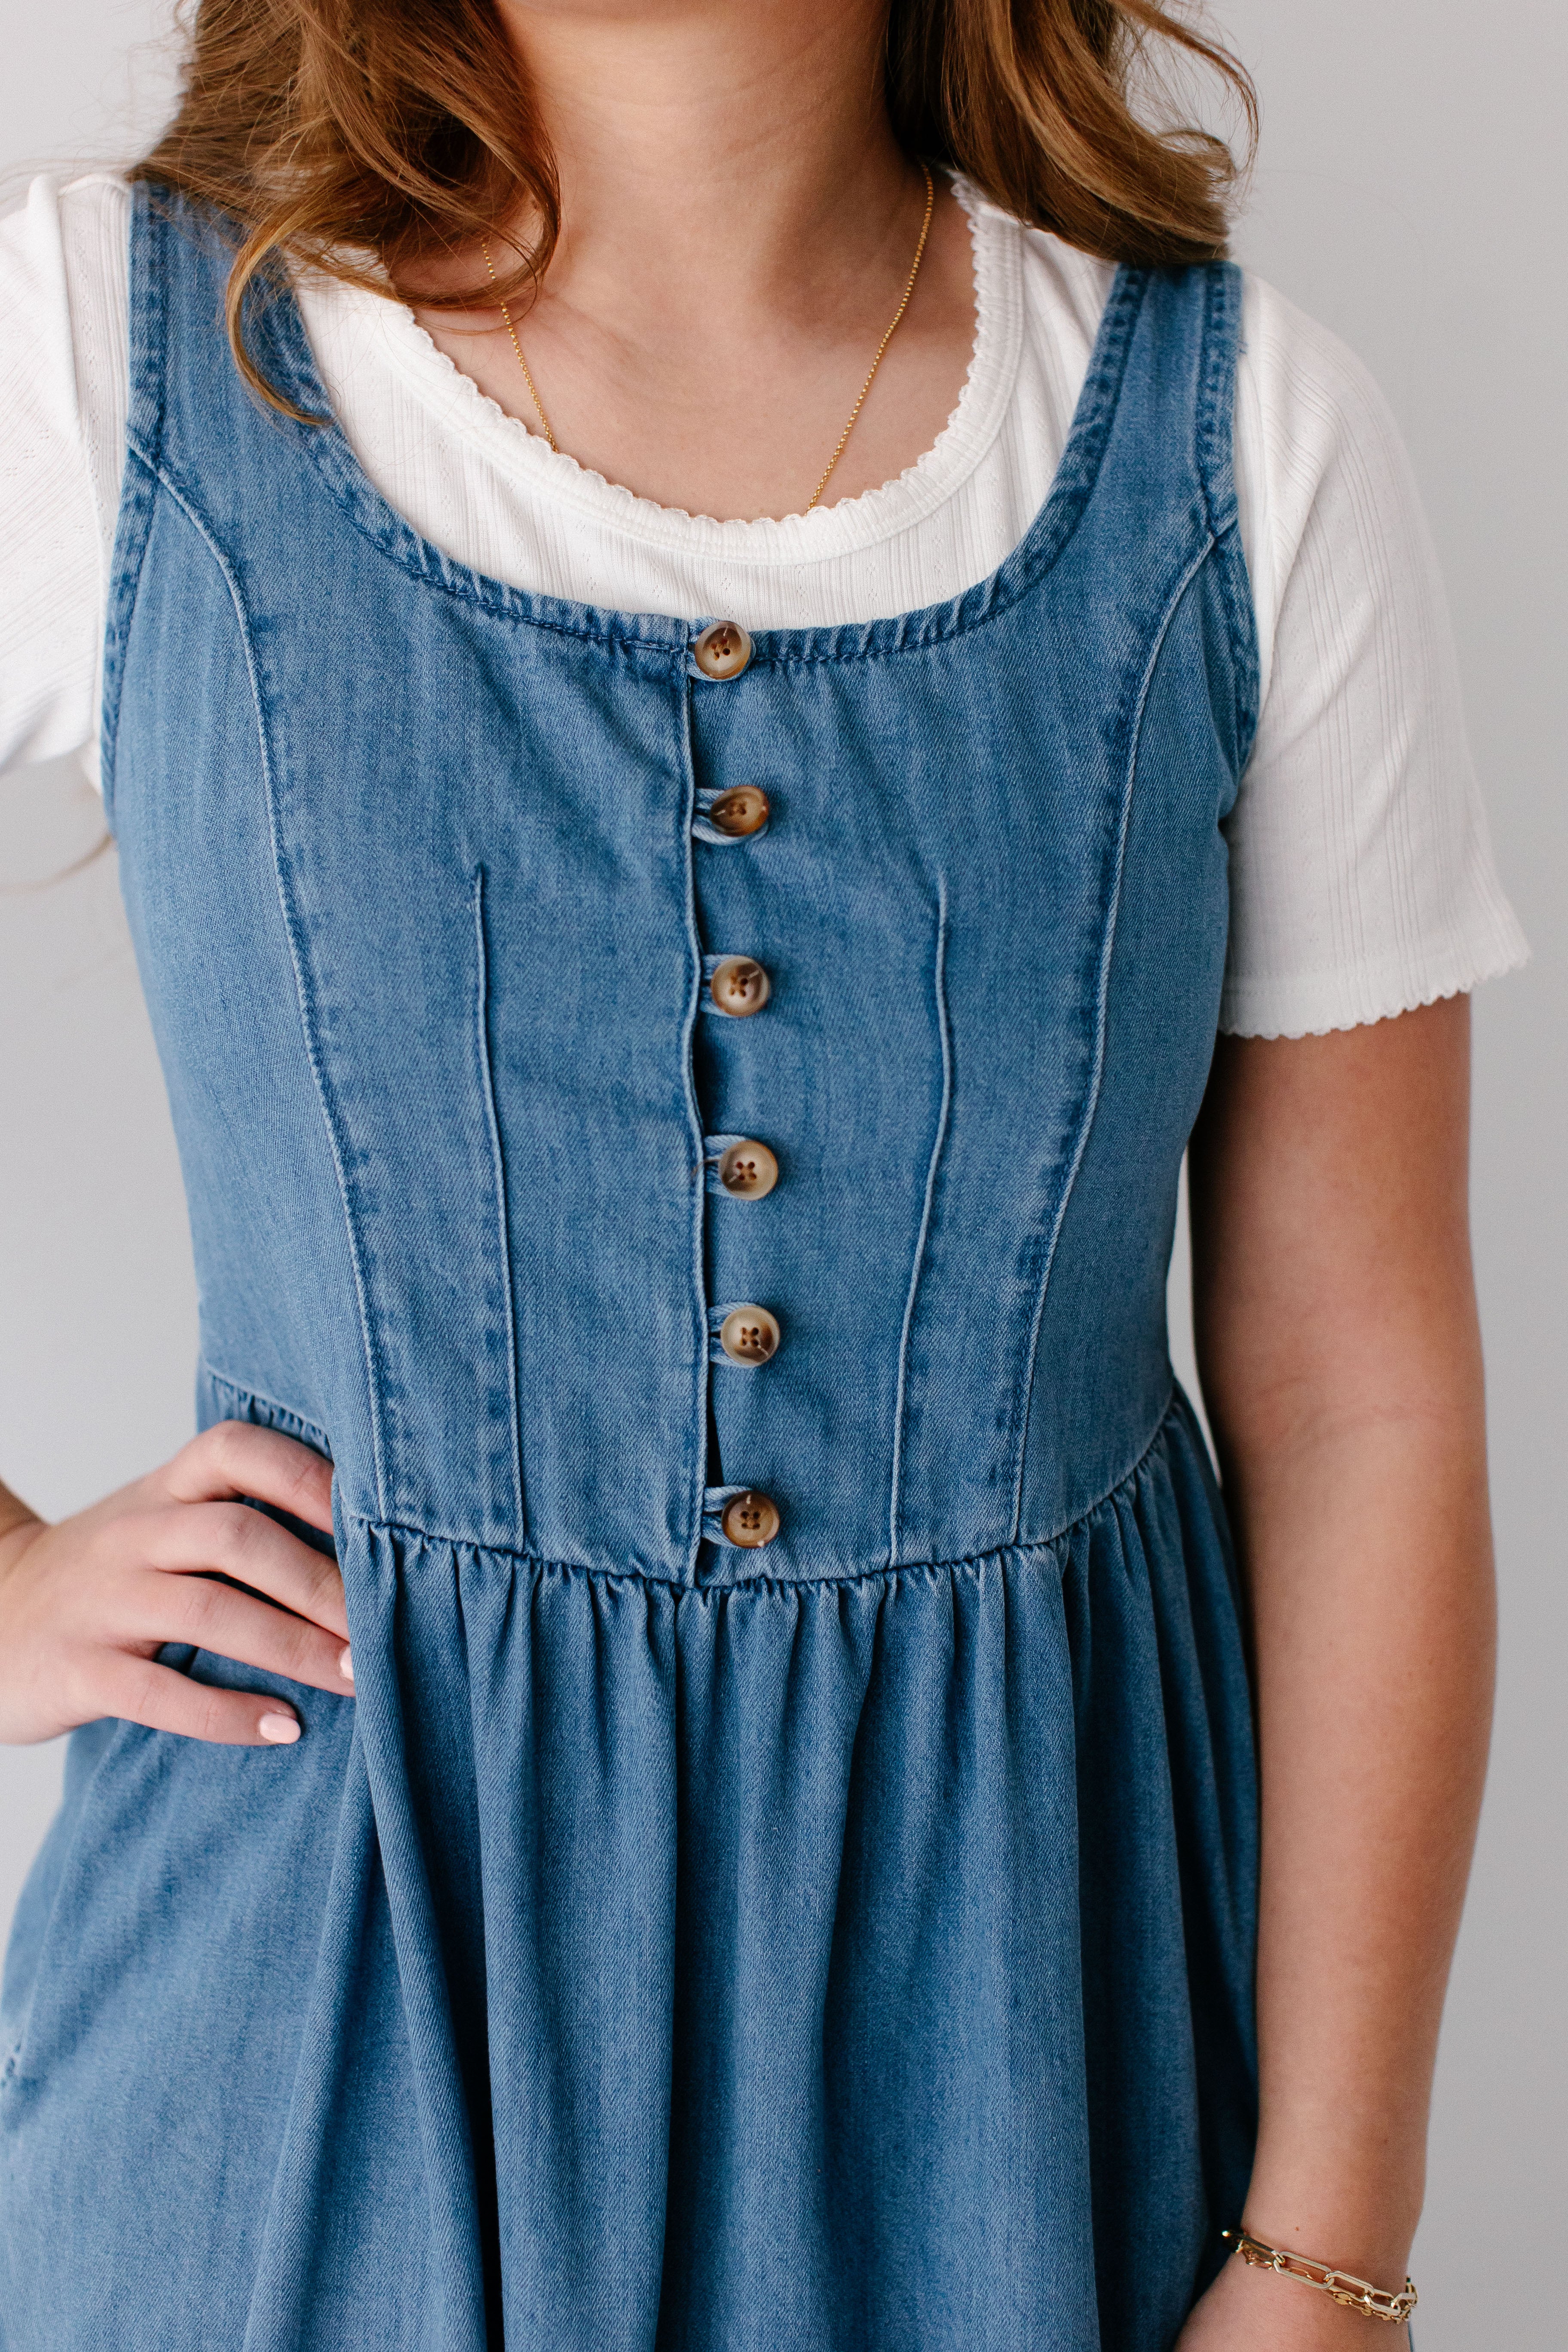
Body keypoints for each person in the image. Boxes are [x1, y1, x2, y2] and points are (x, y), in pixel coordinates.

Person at [0, 1, 1525, 2345]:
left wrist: (1332, 2240)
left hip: (1021, 2032)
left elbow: (1361, 1399)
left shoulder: (1246, 442)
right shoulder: (104, 354)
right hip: (305, 1998)